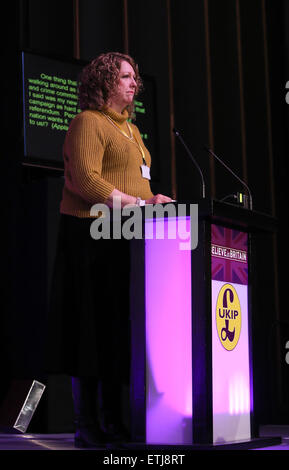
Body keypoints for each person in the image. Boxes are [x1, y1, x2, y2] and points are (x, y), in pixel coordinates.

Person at [47, 51, 173, 448]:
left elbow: (135, 184)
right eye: (125, 76)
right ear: (103, 82)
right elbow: (87, 181)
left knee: (119, 330)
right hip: (90, 234)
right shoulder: (88, 122)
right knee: (90, 330)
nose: (134, 83)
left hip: (128, 236)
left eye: (134, 76)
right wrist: (140, 205)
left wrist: (154, 199)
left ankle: (115, 422)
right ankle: (87, 425)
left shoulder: (133, 132)